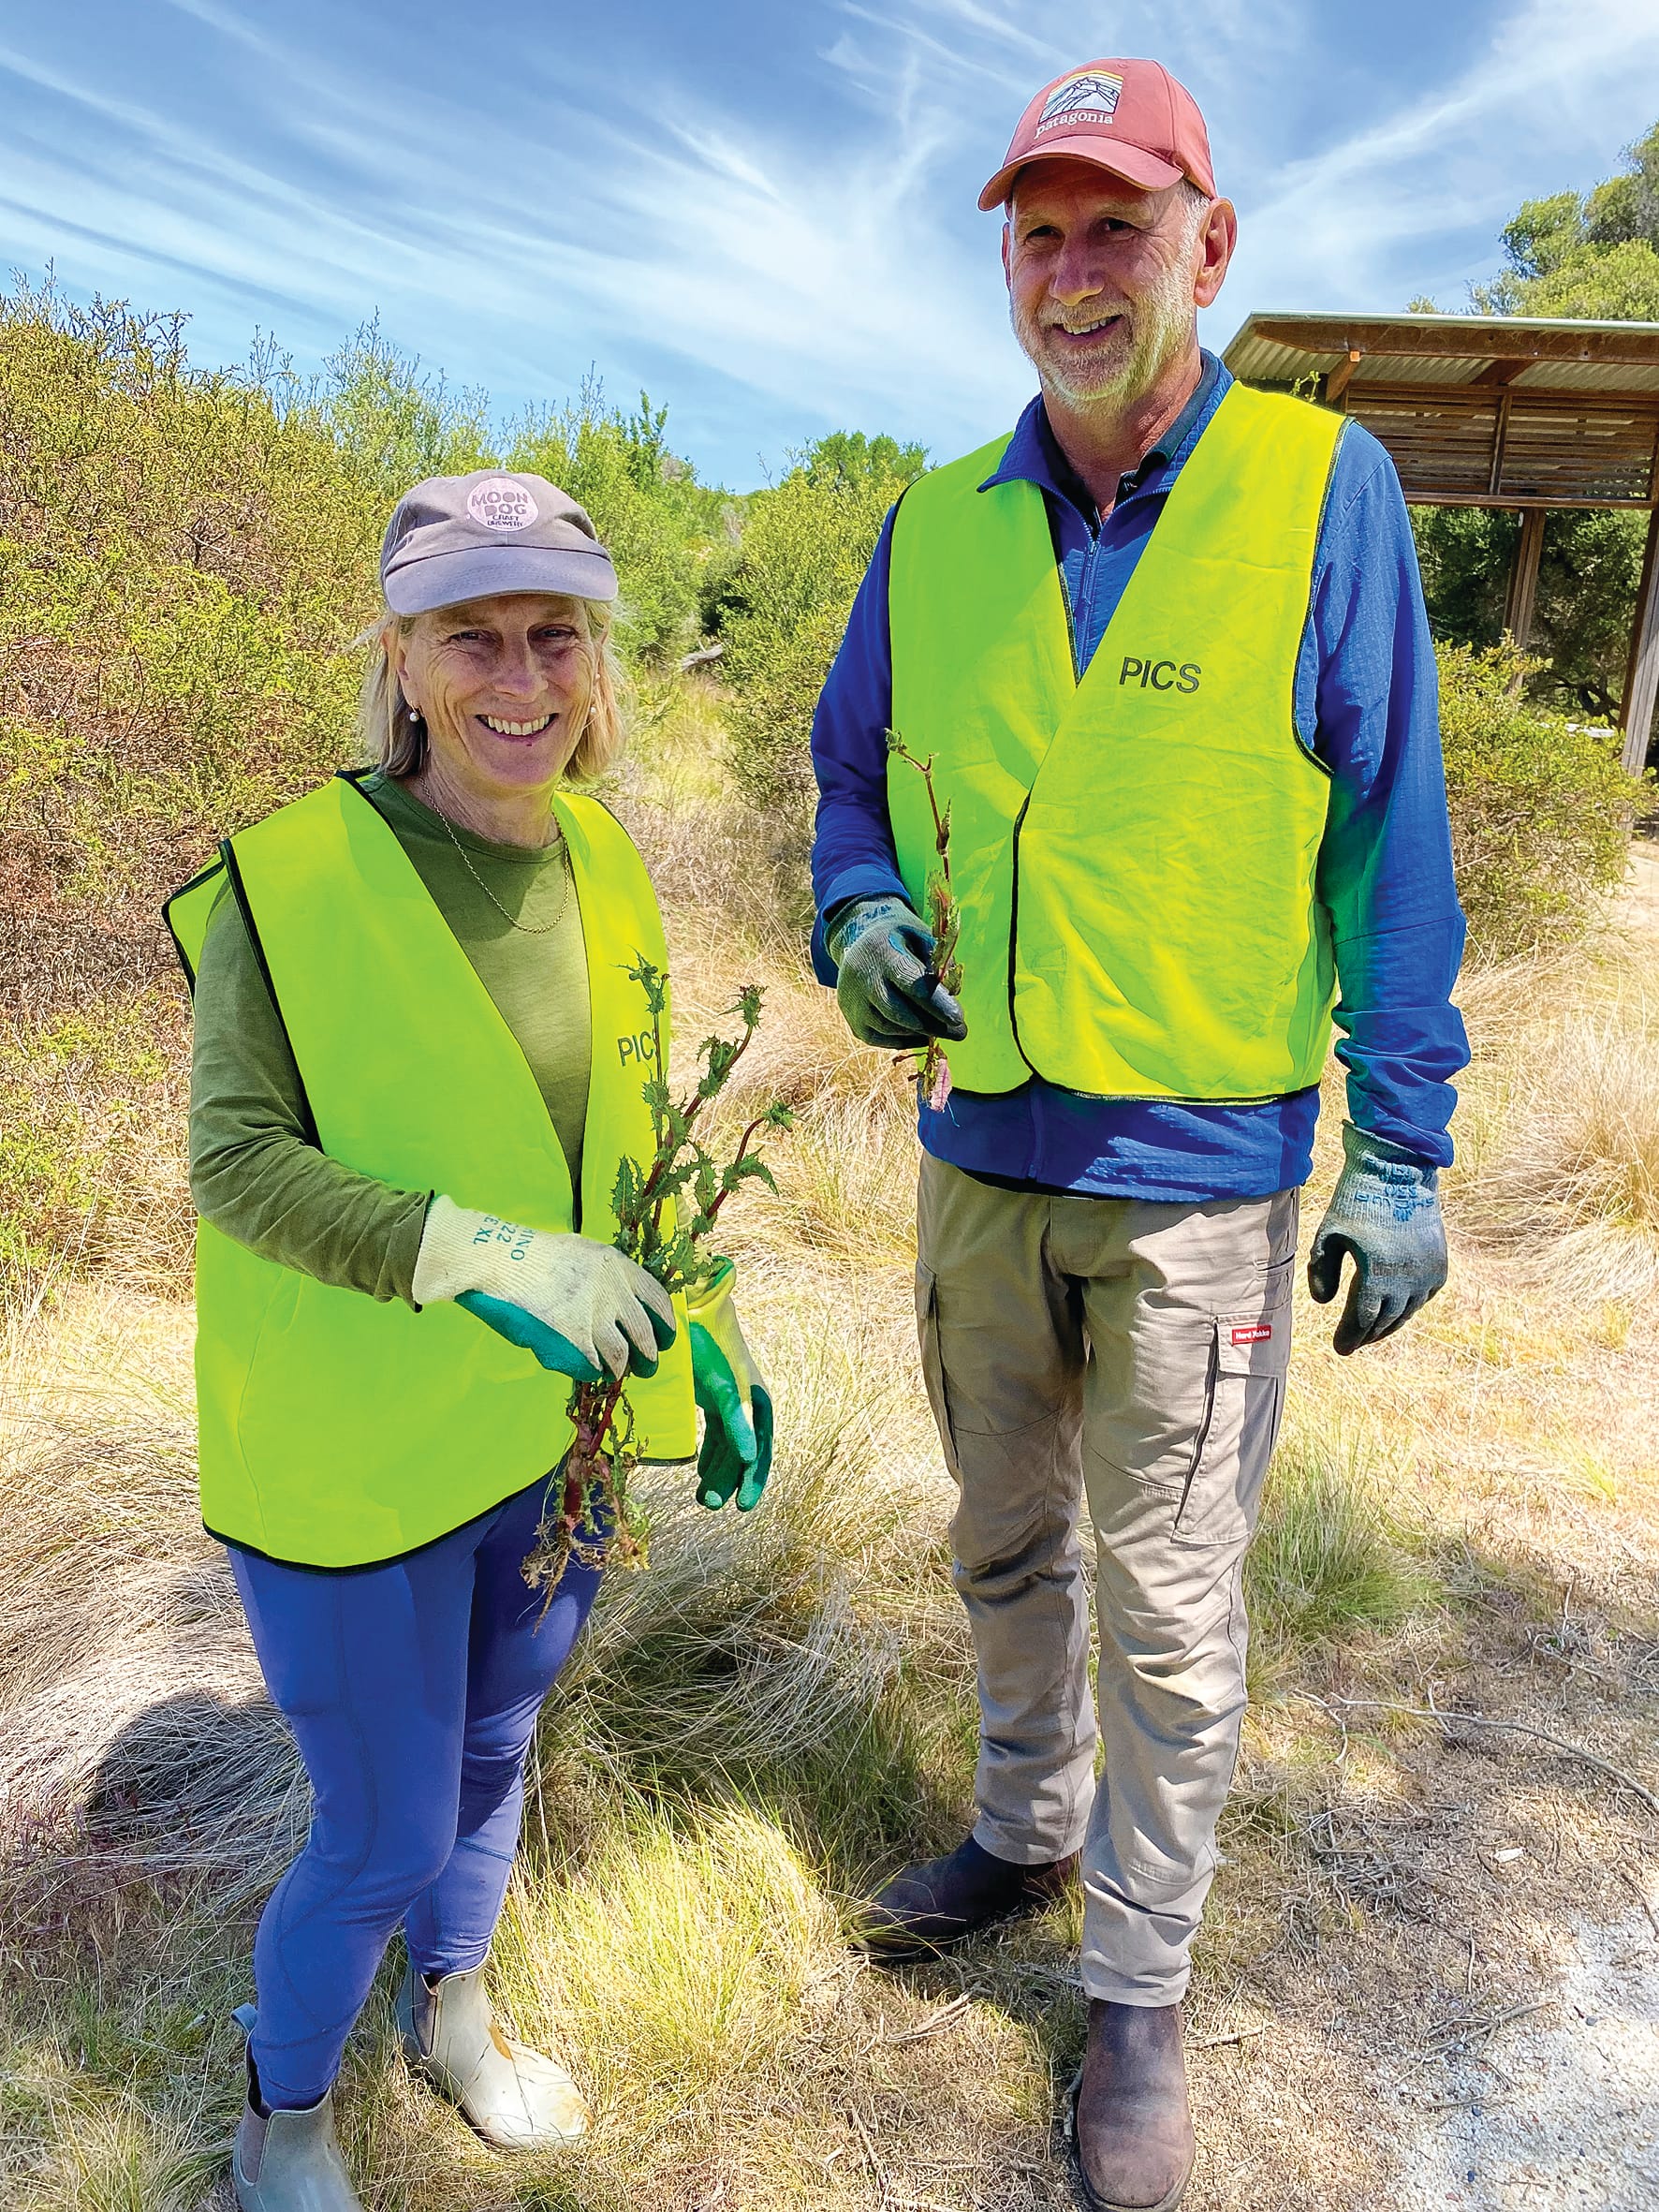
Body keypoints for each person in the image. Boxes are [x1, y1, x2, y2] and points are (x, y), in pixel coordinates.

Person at [810, 59, 1465, 2212]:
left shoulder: (1317, 487)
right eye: (1038, 229)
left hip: (1196, 1183)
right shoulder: (934, 524)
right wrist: (860, 913)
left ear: (1212, 243)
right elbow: (843, 787)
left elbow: (1388, 840)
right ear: (1003, 258)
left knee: (1168, 1613)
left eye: (1116, 224)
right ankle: (1017, 1829)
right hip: (979, 1158)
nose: (1073, 271)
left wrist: (1401, 1143)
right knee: (1000, 1547)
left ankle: (1138, 1989)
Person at [164, 471, 772, 2212]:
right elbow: (236, 1164)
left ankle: (459, 2018)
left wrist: (702, 1331)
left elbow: (633, 1149)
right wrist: (470, 1249)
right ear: (405, 658)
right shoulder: (290, 878)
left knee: (498, 1746)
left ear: (599, 658)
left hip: (542, 1436)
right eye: (474, 635)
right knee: (381, 1829)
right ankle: (280, 2125)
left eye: (556, 632)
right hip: (348, 1450)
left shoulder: (607, 858)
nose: (523, 676)